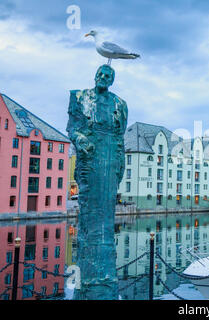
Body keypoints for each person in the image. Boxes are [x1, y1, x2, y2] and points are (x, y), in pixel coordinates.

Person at [67, 64, 128, 300]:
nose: (104, 78)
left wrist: (119, 166)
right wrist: (80, 139)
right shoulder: (80, 97)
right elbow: (73, 128)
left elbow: (120, 137)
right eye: (101, 74)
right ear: (95, 76)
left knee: (106, 218)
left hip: (110, 158)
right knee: (90, 217)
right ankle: (88, 284)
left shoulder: (119, 104)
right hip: (90, 159)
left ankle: (104, 282)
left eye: (108, 76)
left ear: (112, 80)